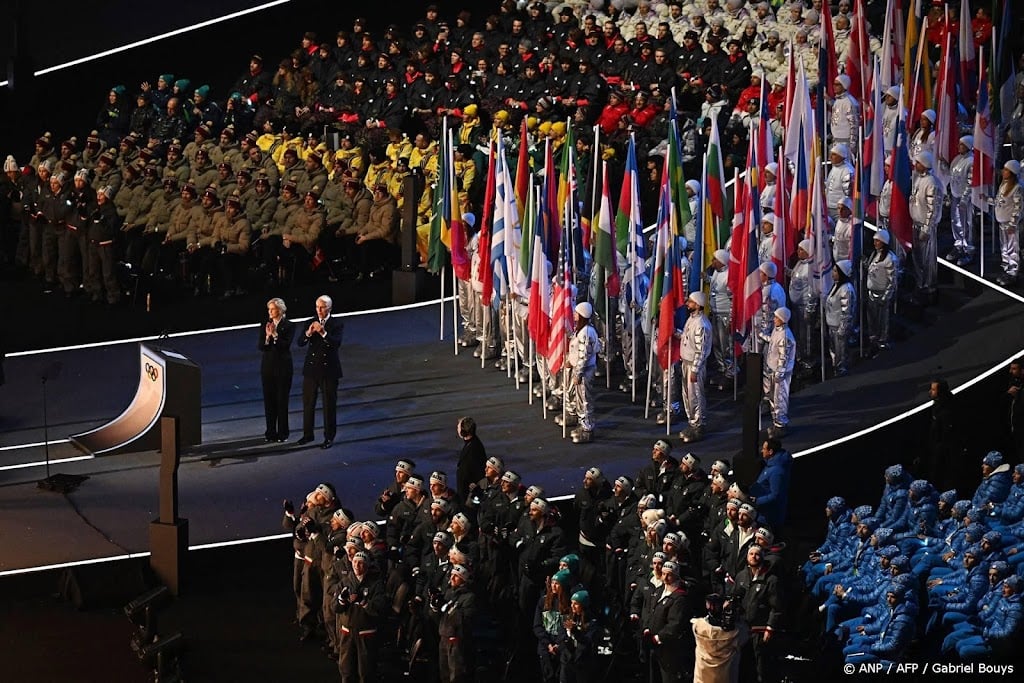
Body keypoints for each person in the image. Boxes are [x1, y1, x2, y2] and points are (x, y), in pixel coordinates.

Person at [297, 294, 344, 448]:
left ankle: (329, 437)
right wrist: (308, 333)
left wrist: (323, 333)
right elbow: (300, 343)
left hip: (329, 371)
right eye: (317, 307)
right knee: (308, 403)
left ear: (329, 308)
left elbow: (336, 344)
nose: (319, 310)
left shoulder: (336, 324)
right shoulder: (310, 322)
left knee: (329, 405)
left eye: (322, 307)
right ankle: (307, 435)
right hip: (311, 370)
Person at [909, 151, 944, 302]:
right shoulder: (919, 179)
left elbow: (933, 209)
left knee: (927, 259)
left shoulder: (932, 183)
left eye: (918, 163)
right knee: (917, 258)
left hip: (925, 226)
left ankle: (929, 287)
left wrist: (926, 229)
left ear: (925, 164)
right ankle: (920, 284)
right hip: (916, 224)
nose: (915, 165)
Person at [259, 297, 295, 443]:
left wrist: (275, 335)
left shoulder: (289, 326)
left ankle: (283, 433)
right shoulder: (265, 324)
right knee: (269, 401)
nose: (270, 312)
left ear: (280, 310)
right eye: (269, 309)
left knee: (282, 401)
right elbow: (261, 346)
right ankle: (270, 432)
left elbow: (285, 346)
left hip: (283, 368)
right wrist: (267, 337)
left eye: (272, 309)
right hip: (268, 368)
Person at [679, 291, 712, 444]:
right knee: (687, 396)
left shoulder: (701, 325)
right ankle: (692, 422)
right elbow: (687, 338)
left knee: (696, 396)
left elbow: (701, 350)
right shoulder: (692, 319)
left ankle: (699, 425)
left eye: (691, 302)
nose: (688, 304)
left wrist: (695, 370)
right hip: (686, 363)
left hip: (694, 366)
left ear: (698, 305)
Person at [566, 301, 599, 444]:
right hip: (581, 371)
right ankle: (582, 424)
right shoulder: (581, 330)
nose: (574, 314)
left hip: (585, 372)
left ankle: (587, 429)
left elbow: (584, 356)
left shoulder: (586, 332)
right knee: (580, 399)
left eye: (576, 313)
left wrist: (578, 373)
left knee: (585, 400)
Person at [763, 308, 795, 437]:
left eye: (776, 317)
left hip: (780, 374)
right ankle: (776, 422)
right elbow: (772, 341)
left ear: (782, 319)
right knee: (773, 399)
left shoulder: (785, 336)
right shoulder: (777, 331)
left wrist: (779, 374)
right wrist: (761, 335)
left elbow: (784, 357)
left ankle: (781, 425)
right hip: (773, 371)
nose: (774, 319)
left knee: (780, 399)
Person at [865, 230, 898, 353]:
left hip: (882, 293)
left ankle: (882, 340)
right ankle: (873, 339)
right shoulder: (874, 254)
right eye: (874, 240)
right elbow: (871, 269)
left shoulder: (890, 258)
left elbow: (892, 280)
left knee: (882, 319)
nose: (875, 243)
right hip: (871, 292)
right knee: (872, 318)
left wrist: (886, 296)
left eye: (877, 241)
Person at [825, 260, 856, 377]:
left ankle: (841, 370)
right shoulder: (836, 286)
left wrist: (842, 329)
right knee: (834, 351)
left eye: (835, 271)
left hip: (839, 328)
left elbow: (847, 312)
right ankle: (836, 369)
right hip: (832, 325)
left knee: (841, 352)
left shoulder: (846, 289)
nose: (832, 273)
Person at [455, 416, 486, 502]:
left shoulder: (474, 447)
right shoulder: (471, 444)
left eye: (458, 427)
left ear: (463, 430)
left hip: (469, 494)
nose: (457, 429)